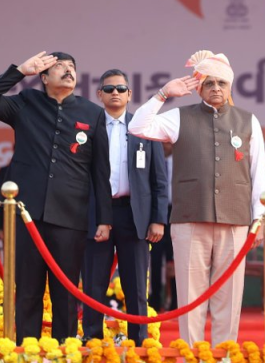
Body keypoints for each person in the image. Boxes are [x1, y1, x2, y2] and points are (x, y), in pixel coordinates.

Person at [128, 50, 265, 346]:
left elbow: (259, 173)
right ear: (199, 88)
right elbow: (137, 127)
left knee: (230, 293)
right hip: (190, 218)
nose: (216, 88)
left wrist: (259, 219)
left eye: (221, 83)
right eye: (209, 83)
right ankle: (191, 354)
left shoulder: (248, 121)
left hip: (235, 219)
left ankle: (224, 353)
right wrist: (164, 94)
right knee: (190, 294)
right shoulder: (180, 117)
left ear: (230, 87)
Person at [0, 51, 112, 341]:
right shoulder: (26, 102)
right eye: (60, 66)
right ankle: (27, 351)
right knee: (27, 291)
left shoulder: (92, 113)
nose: (68, 70)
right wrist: (20, 71)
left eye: (72, 66)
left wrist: (104, 218)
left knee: (66, 293)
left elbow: (100, 171)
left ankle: (64, 351)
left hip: (70, 216)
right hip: (27, 215)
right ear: (44, 78)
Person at [82, 69, 169, 344]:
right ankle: (92, 340)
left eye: (120, 88)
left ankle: (139, 344)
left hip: (134, 214)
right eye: (109, 89)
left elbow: (159, 178)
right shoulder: (88, 129)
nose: (115, 93)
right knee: (94, 283)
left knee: (136, 285)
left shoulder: (144, 127)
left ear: (130, 94)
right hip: (97, 213)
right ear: (99, 94)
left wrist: (158, 219)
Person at [149, 141, 177, 312]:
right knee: (155, 259)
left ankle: (175, 302)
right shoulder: (154, 160)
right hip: (158, 213)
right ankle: (155, 300)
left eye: (168, 142)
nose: (165, 146)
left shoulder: (181, 161)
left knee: (175, 260)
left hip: (176, 213)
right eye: (163, 142)